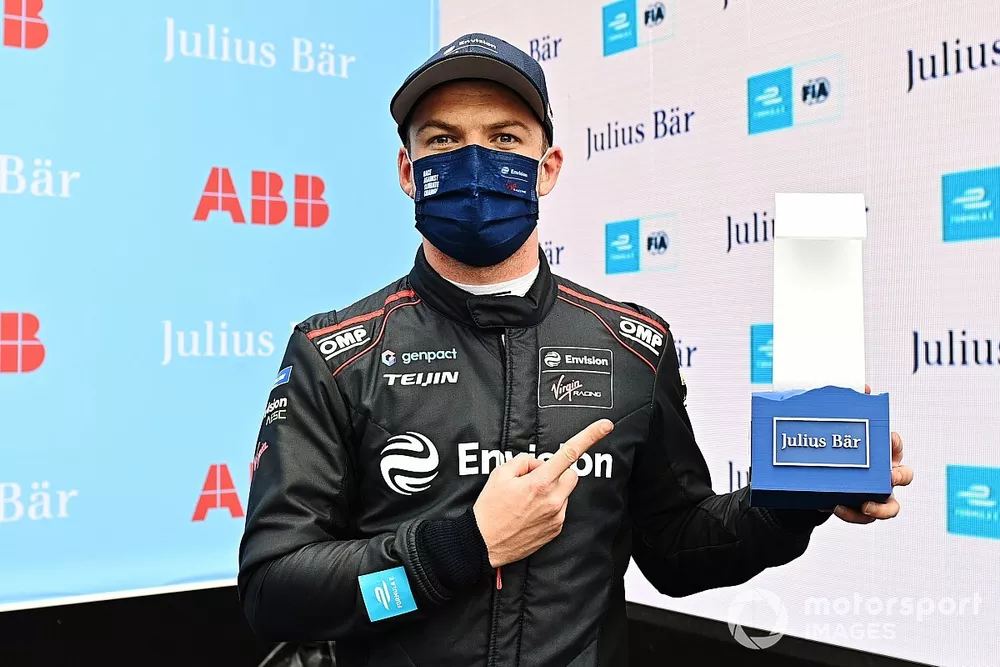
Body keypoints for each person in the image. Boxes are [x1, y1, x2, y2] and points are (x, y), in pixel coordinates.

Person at [237, 32, 913, 667]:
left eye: (504, 137)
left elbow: (676, 549)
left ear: (547, 166)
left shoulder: (631, 346)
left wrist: (794, 497)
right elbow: (276, 590)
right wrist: (456, 550)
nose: (474, 162)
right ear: (408, 172)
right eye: (443, 141)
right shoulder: (337, 354)